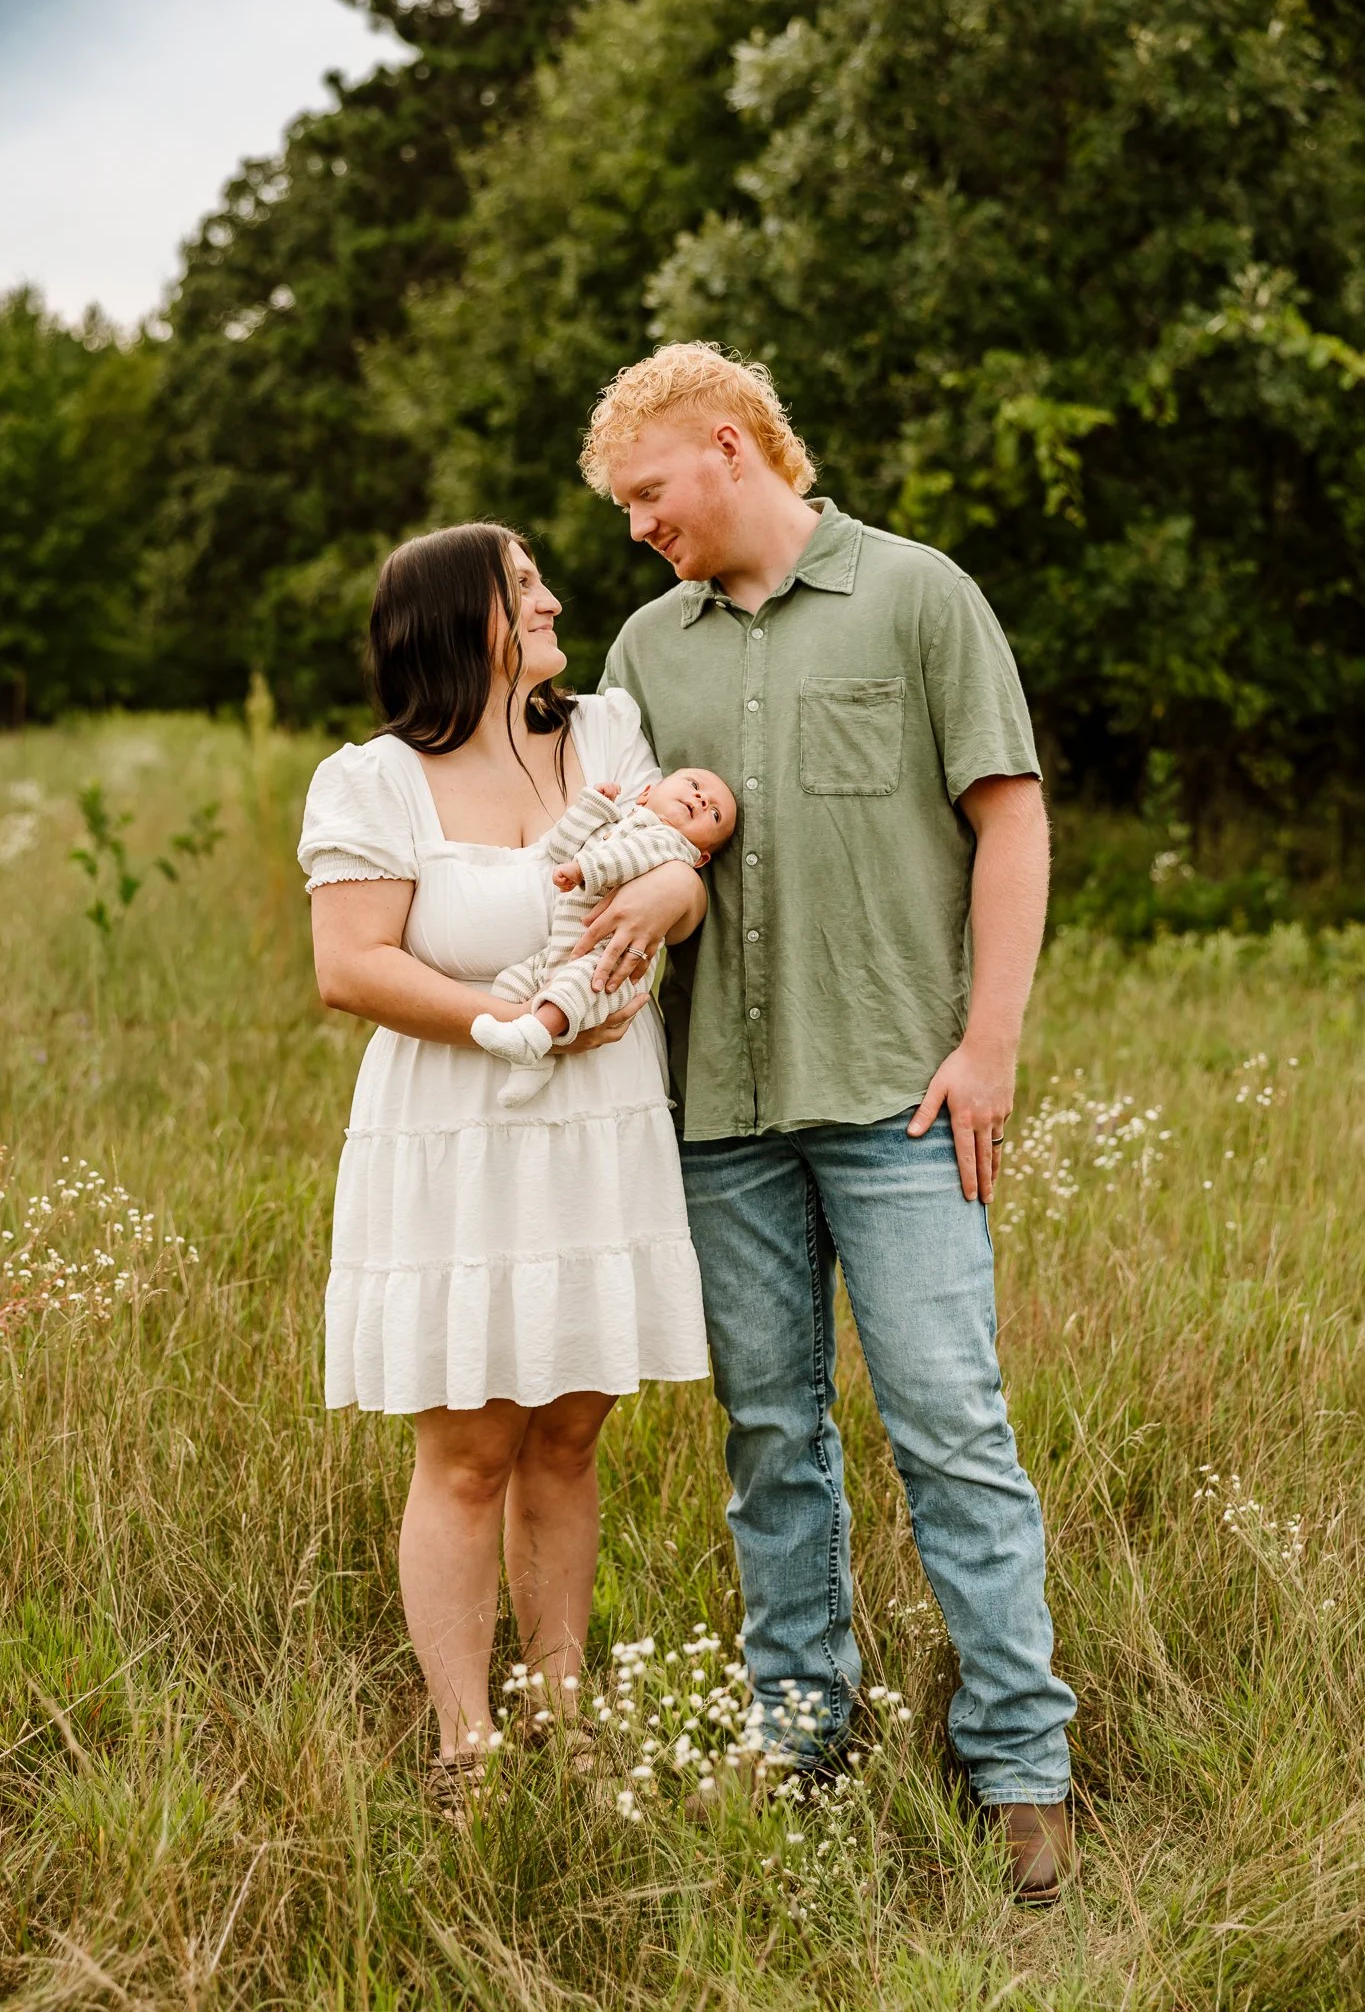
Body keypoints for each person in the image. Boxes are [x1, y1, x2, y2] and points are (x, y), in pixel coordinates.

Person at [572, 342, 1077, 1903]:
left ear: (729, 449)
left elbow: (1010, 817)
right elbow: (625, 848)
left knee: (953, 1433)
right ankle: (803, 1727)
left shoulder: (921, 595)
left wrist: (987, 1047)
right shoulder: (644, 652)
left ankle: (1020, 1762)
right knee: (770, 1435)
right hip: (716, 1107)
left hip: (903, 1099)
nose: (637, 527)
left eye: (648, 495)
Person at [297, 523, 710, 1809]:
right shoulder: (371, 780)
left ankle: (570, 1718)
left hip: (602, 1115)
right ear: (457, 616)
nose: (552, 597)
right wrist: (500, 1026)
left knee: (573, 1431)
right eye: (523, 583)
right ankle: (466, 1740)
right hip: (460, 1124)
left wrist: (675, 897)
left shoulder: (608, 731)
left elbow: (675, 863)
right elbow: (350, 965)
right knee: (472, 1443)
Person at [472, 766, 736, 1102]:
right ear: (645, 794)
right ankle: (533, 1063)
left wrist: (583, 869)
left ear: (701, 859)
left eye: (714, 813)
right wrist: (591, 808)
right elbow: (559, 847)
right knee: (511, 982)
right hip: (563, 947)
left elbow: (626, 859)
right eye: (695, 785)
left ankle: (533, 1038)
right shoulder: (614, 828)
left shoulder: (672, 848)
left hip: (608, 963)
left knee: (574, 987)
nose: (701, 799)